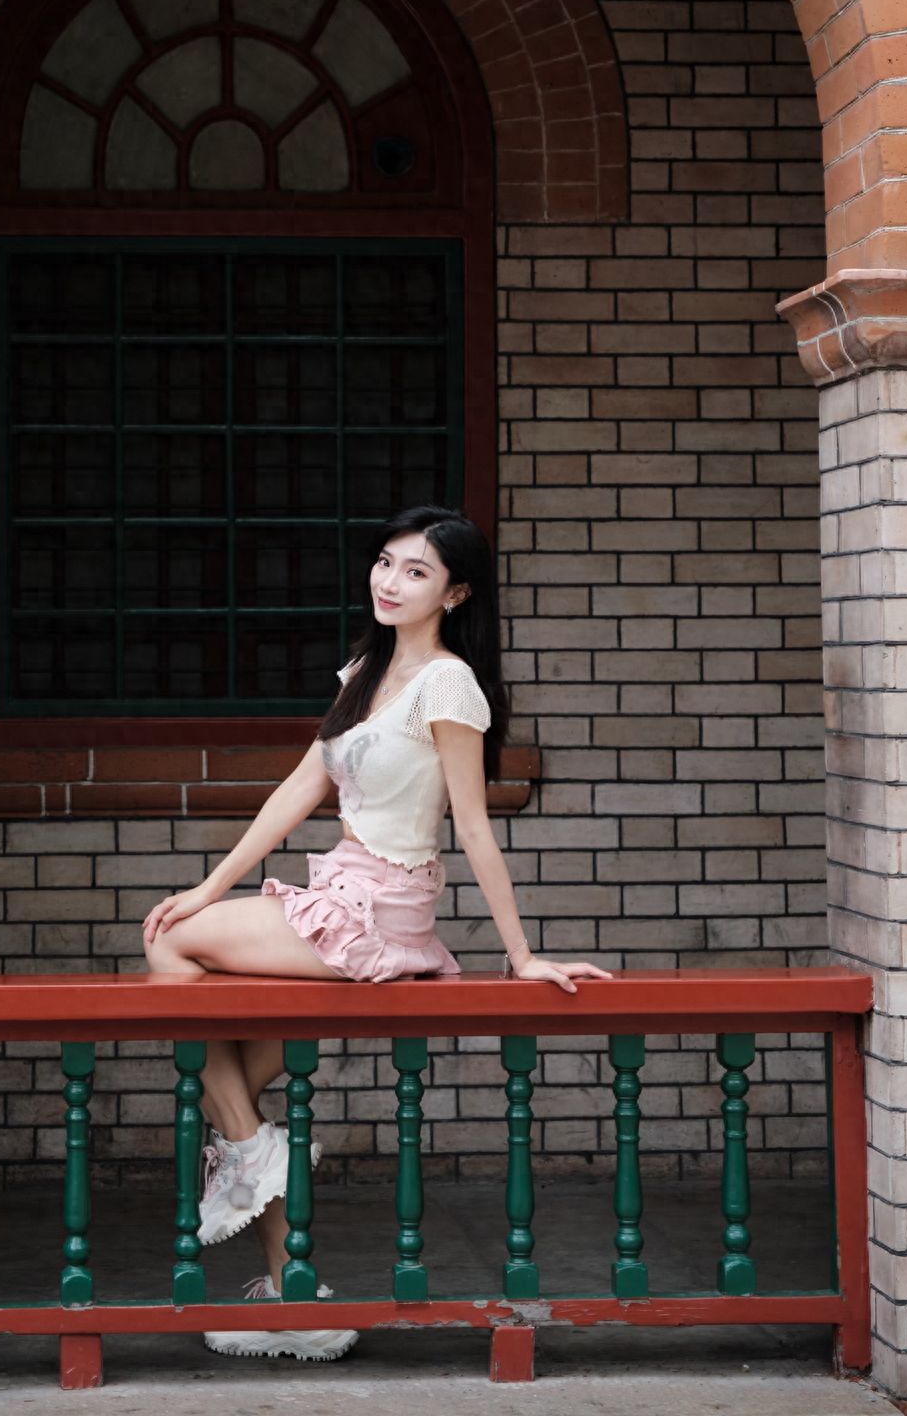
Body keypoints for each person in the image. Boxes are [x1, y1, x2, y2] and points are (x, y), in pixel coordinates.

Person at [142, 504, 613, 1362]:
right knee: (232, 1069)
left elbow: (472, 825)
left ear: (457, 591)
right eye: (387, 564)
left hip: (382, 909)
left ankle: (249, 1160)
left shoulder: (450, 684)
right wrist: (209, 884)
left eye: (418, 572)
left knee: (173, 955)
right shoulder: (365, 670)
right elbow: (299, 787)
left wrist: (521, 954)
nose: (392, 583)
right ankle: (295, 1290)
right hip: (339, 889)